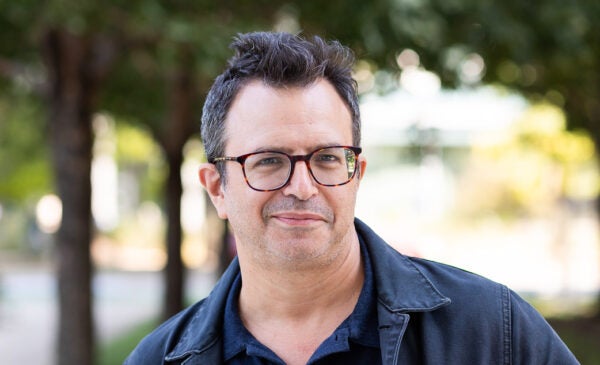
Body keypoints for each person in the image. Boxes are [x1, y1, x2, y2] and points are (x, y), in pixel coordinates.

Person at [125, 31, 578, 365]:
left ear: (356, 174)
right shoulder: (157, 360)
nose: (302, 188)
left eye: (326, 158)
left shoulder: (491, 332)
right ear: (217, 188)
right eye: (267, 161)